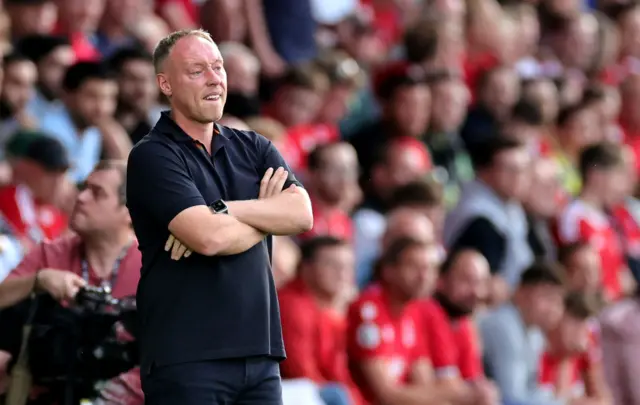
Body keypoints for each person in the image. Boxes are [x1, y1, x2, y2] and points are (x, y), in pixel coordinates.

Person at [125, 29, 313, 405]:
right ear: (166, 84)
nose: (214, 78)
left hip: (260, 354)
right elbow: (208, 238)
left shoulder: (255, 146)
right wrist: (264, 215)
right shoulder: (152, 156)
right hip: (187, 357)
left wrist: (224, 209)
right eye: (196, 70)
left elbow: (302, 214)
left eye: (218, 67)